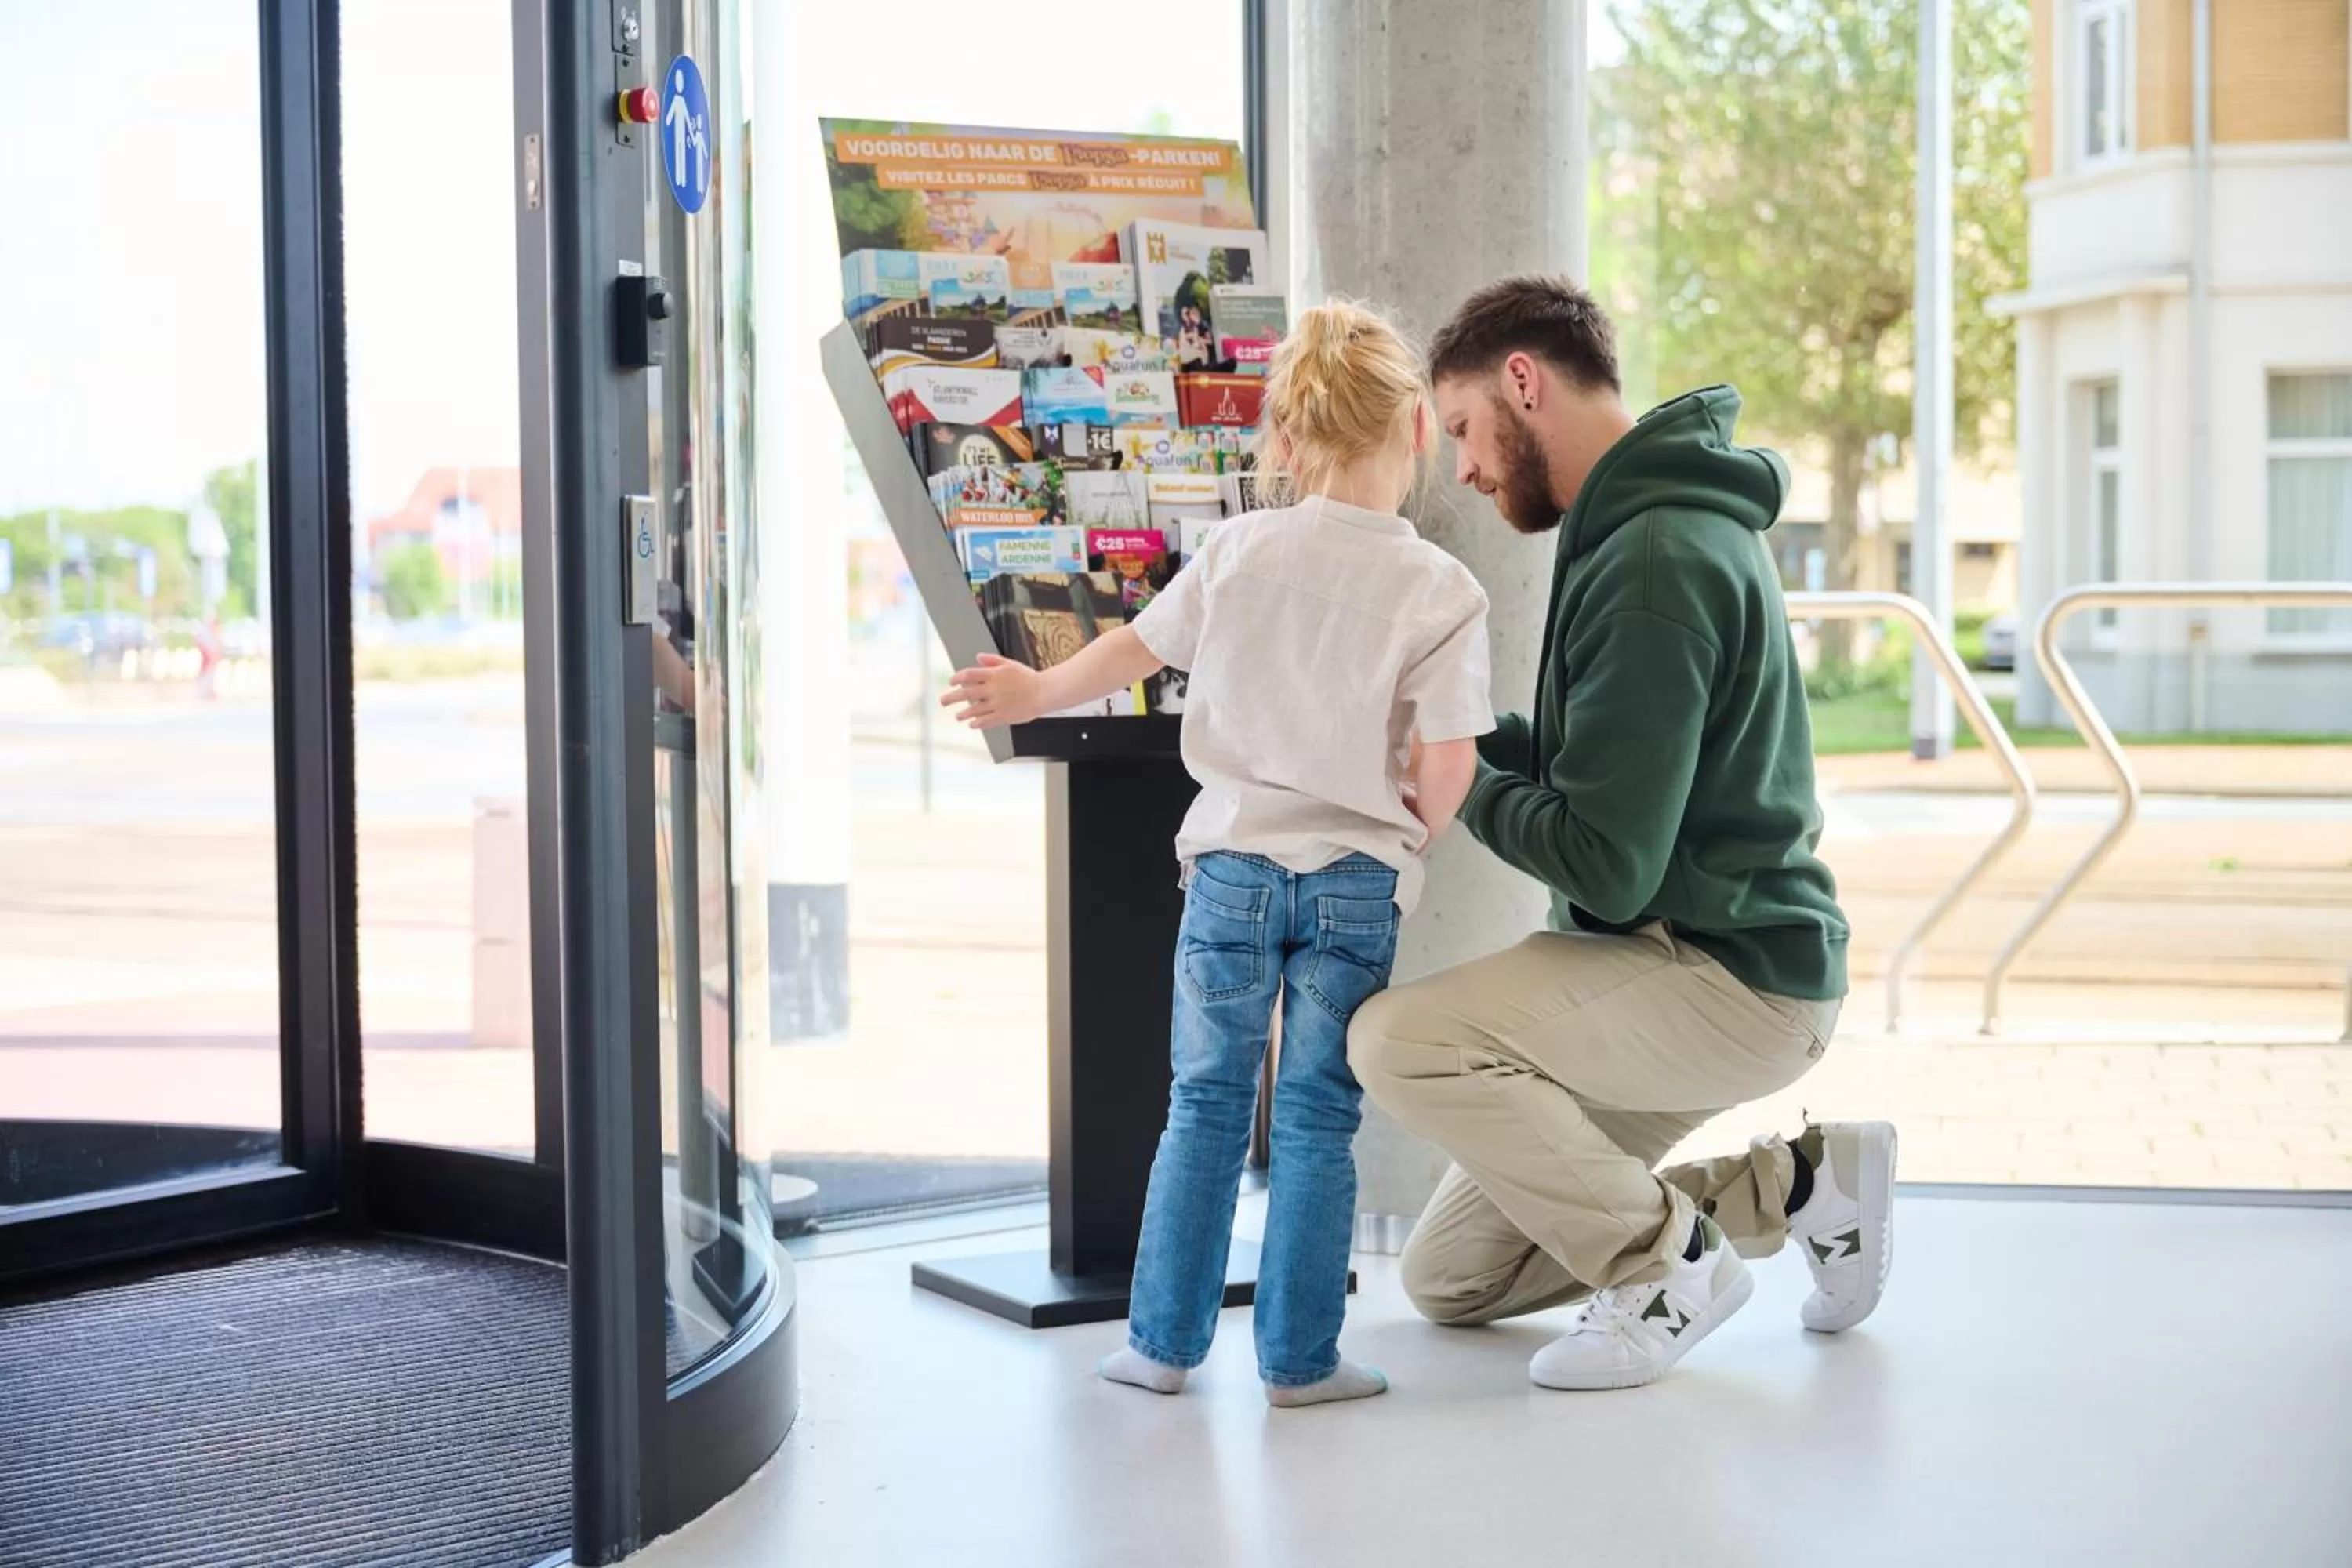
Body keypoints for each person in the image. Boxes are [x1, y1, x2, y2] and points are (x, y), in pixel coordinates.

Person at [1346, 274, 1896, 1392]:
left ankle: (1661, 1270)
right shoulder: (1637, 528)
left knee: (1399, 1039)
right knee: (1455, 1279)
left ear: (1521, 381)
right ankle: (1800, 1185)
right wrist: (1453, 732)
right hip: (1665, 957)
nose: (1466, 469)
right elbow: (1590, 760)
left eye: (1461, 430)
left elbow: (1607, 857)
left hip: (1727, 977)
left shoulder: (1654, 559)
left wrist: (1450, 783)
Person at [942, 301, 1494, 1407]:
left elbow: (1132, 651)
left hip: (1232, 869)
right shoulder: (1443, 588)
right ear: (1420, 433)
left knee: (1201, 1104)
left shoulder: (1239, 552)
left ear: (1283, 442)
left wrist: (1035, 689)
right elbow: (1448, 760)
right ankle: (1300, 1362)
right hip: (1354, 883)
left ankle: (1161, 1346)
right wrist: (1408, 839)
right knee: (1318, 1118)